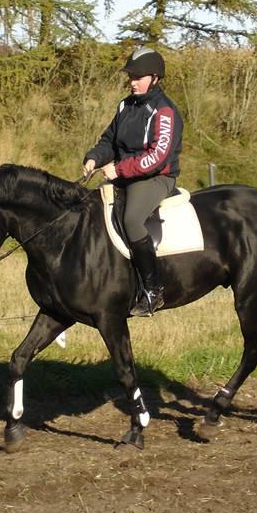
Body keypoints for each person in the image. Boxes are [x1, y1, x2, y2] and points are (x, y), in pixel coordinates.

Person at [83, 46, 183, 317]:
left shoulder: (164, 112)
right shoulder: (125, 105)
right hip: (124, 173)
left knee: (131, 219)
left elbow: (158, 156)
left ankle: (153, 290)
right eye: (131, 76)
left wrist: (120, 170)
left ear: (155, 78)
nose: (132, 81)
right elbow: (109, 141)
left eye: (138, 77)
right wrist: (94, 158)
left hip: (155, 178)